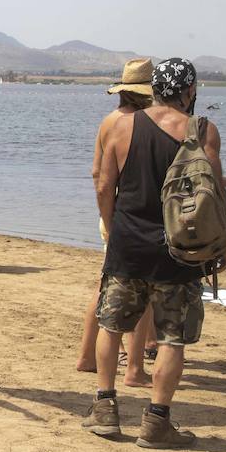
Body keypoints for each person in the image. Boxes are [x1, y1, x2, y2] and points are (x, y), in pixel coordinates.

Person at [85, 58, 224, 449]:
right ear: (190, 90)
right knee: (171, 337)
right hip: (180, 249)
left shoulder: (122, 124)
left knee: (111, 325)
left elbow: (103, 186)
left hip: (128, 242)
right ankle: (157, 421)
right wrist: (220, 245)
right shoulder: (203, 130)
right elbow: (211, 197)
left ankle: (105, 409)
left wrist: (113, 229)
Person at [76, 59, 156, 384]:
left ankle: (85, 355)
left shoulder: (109, 121)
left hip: (111, 210)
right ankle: (135, 368)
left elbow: (98, 174)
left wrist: (105, 217)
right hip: (130, 215)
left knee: (106, 284)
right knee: (142, 292)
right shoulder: (141, 123)